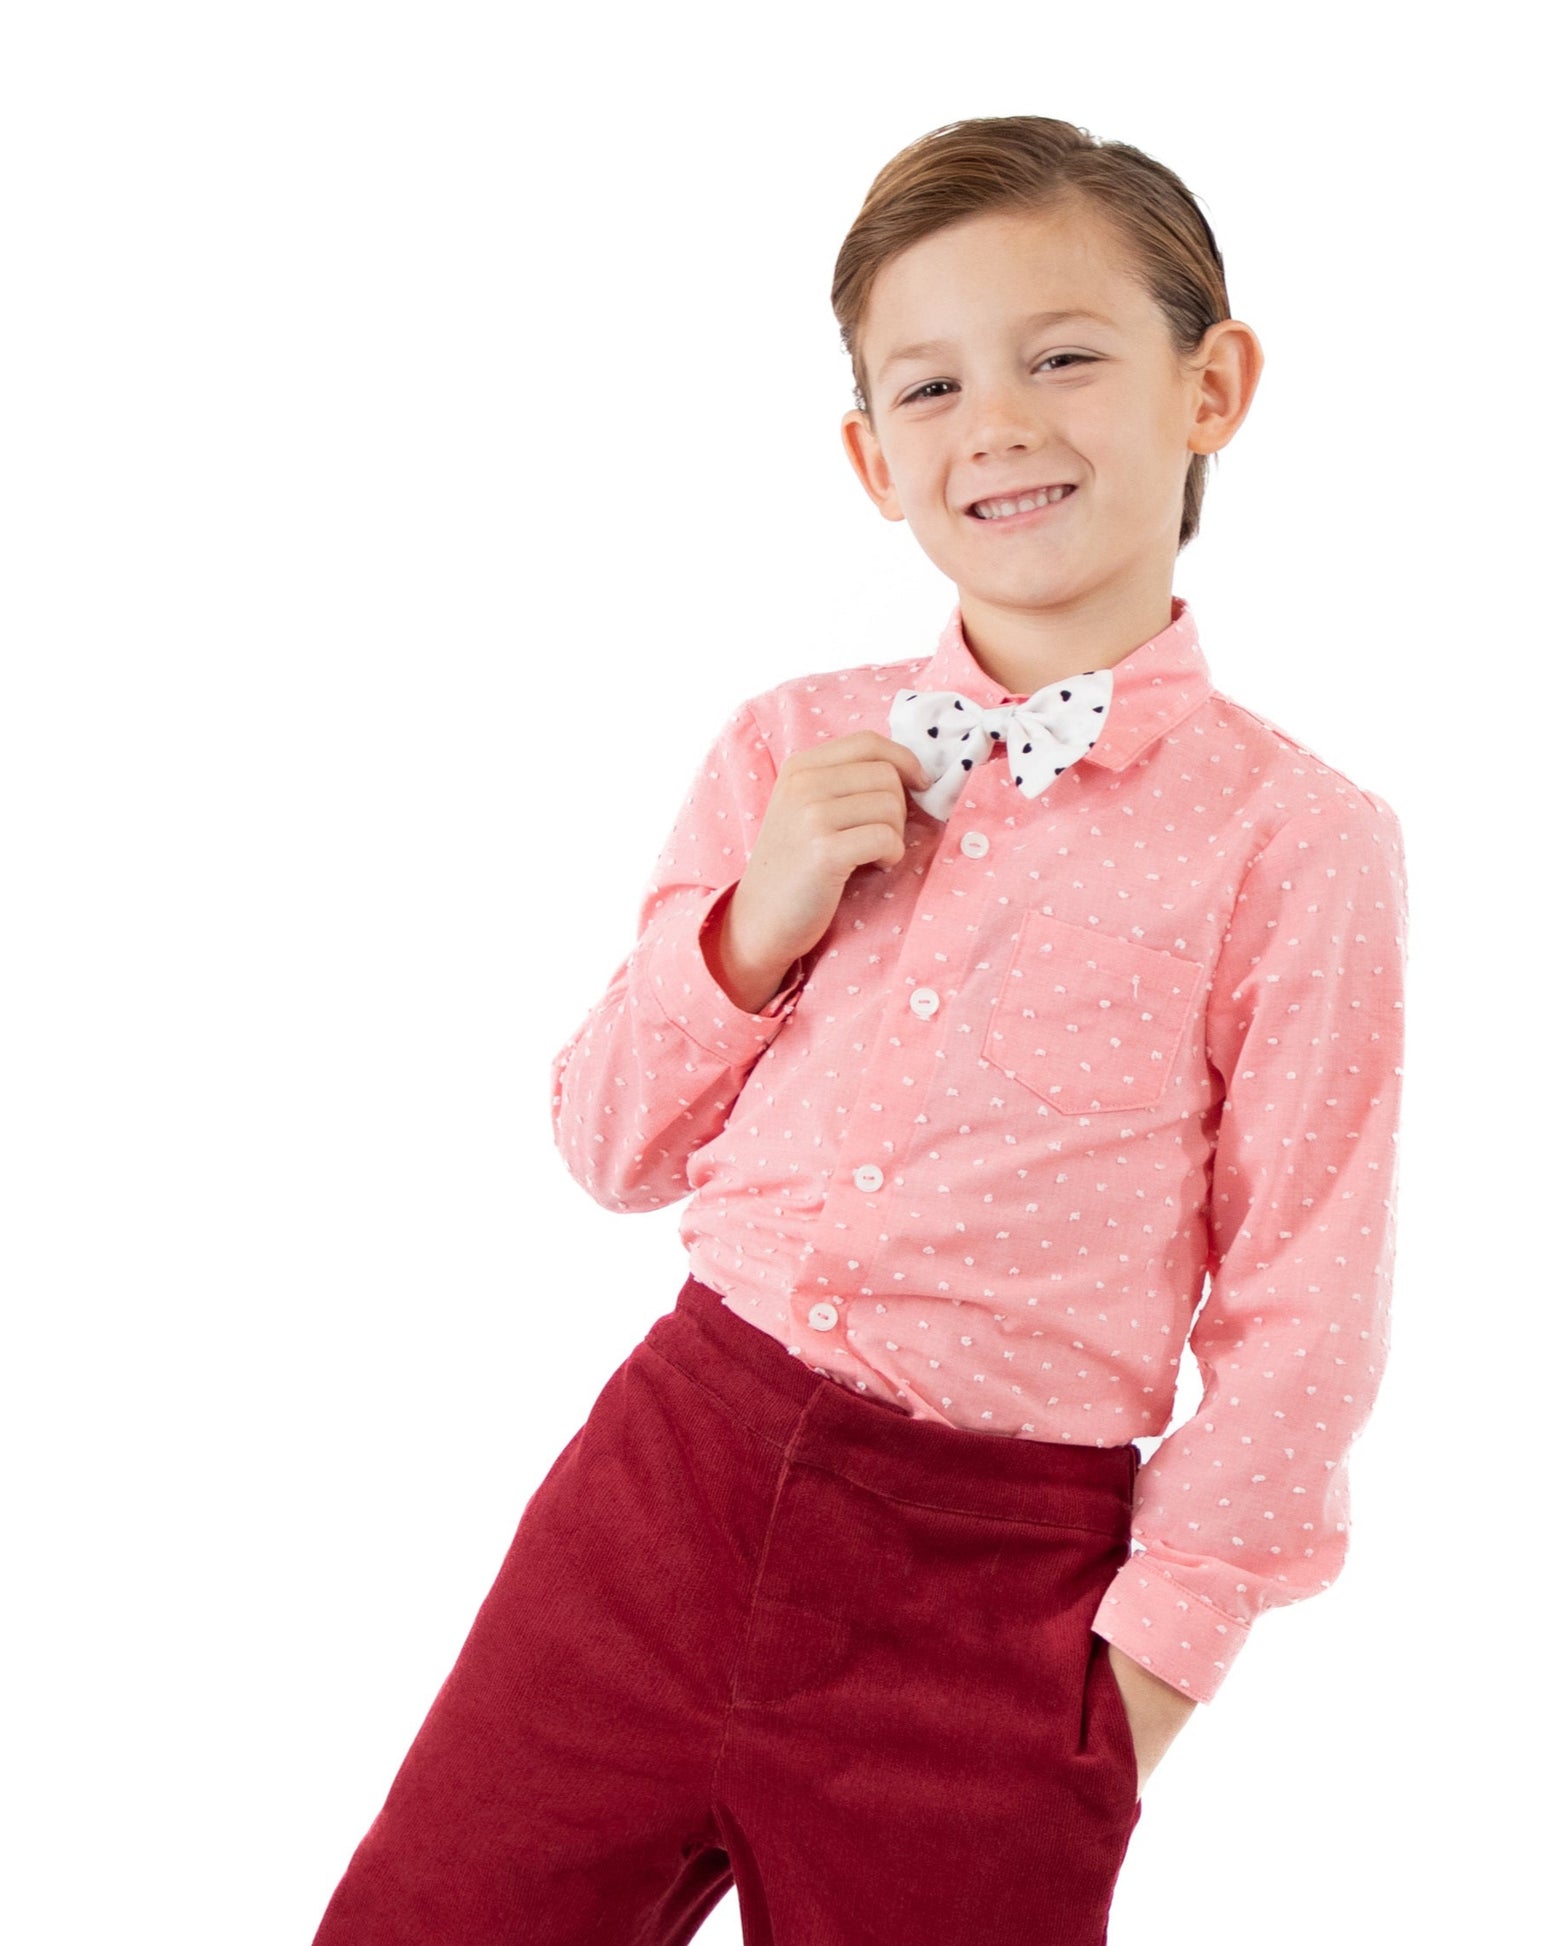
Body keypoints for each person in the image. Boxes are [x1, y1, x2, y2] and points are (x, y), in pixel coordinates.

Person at [313, 113, 1409, 1946]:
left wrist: (1131, 1690)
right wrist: (752, 927)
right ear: (870, 455)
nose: (998, 422)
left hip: (995, 1587)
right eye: (931, 383)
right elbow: (605, 1146)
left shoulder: (1298, 842)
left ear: (1210, 385)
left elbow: (1305, 1298)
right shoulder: (786, 745)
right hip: (663, 1487)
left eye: (1064, 356)